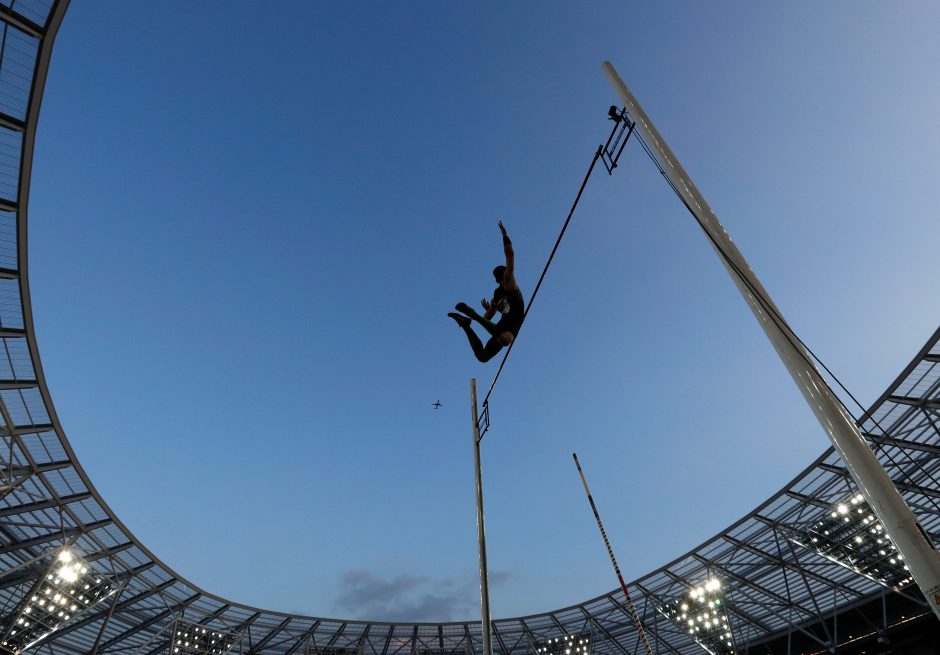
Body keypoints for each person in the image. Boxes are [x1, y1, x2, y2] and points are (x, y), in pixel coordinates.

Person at [449, 221, 525, 362]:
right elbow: (488, 317)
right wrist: (505, 236)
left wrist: (505, 236)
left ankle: (466, 323)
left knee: (482, 357)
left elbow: (510, 256)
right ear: (500, 279)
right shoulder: (502, 289)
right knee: (504, 340)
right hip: (505, 328)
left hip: (507, 326)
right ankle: (471, 316)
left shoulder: (507, 283)